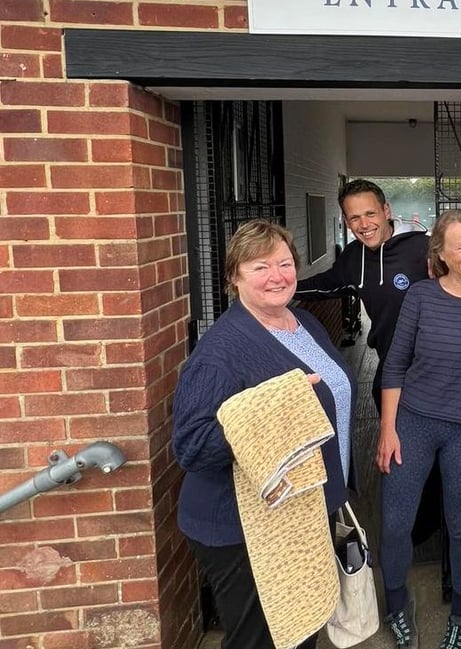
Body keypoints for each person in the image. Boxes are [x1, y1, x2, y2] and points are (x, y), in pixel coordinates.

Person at [172, 220, 357, 649]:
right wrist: (272, 407)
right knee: (262, 640)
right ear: (234, 277)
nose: (277, 276)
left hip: (300, 513)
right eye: (260, 267)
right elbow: (191, 446)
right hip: (243, 529)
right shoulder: (221, 352)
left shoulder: (304, 322)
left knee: (302, 627)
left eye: (285, 263)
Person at [377, 211, 461, 649]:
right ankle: (396, 604)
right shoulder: (421, 296)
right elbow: (395, 365)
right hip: (413, 422)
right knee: (396, 522)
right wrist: (387, 428)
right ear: (441, 254)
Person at [295, 178, 429, 411]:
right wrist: (284, 289)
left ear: (386, 211)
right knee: (390, 420)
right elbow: (326, 284)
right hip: (390, 363)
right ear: (346, 222)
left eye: (370, 213)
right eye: (355, 217)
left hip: (433, 363)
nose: (364, 224)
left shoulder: (425, 248)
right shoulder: (353, 257)